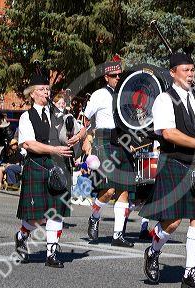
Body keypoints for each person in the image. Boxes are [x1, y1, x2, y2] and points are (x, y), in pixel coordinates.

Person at [138, 52, 195, 288]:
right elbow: (168, 133)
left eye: (192, 69)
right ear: (173, 73)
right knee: (173, 222)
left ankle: (189, 273)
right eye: (185, 70)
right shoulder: (164, 100)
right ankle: (154, 250)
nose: (190, 74)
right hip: (174, 163)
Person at [14, 71, 86, 268]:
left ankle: (51, 253)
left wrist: (77, 136)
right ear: (32, 94)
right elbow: (29, 144)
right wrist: (54, 149)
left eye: (47, 89)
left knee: (56, 212)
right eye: (42, 90)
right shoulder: (26, 117)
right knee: (37, 218)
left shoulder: (59, 114)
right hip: (37, 166)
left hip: (59, 168)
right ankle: (22, 235)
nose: (46, 92)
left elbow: (82, 129)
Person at [83, 56, 136, 247]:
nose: (117, 78)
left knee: (124, 190)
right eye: (114, 75)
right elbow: (86, 118)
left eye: (120, 75)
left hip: (122, 140)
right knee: (109, 190)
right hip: (104, 140)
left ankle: (117, 235)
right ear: (106, 77)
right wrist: (87, 139)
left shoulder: (126, 95)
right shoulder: (98, 95)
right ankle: (94, 216)